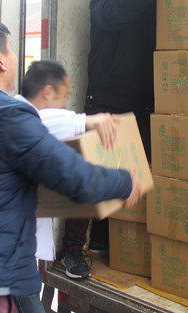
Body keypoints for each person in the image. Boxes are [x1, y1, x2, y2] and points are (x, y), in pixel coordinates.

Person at [0, 13, 142, 313]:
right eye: (11, 50)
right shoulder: (7, 116)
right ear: (0, 60)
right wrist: (125, 181)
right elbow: (74, 177)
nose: (15, 57)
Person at [61, 0, 174, 278]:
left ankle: (106, 239)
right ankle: (71, 250)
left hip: (141, 103)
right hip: (106, 102)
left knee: (131, 179)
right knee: (91, 177)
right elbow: (115, 14)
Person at [15, 59, 119, 269]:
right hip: (16, 253)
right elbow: (40, 122)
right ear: (47, 92)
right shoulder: (20, 119)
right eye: (63, 97)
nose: (65, 105)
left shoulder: (21, 120)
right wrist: (85, 121)